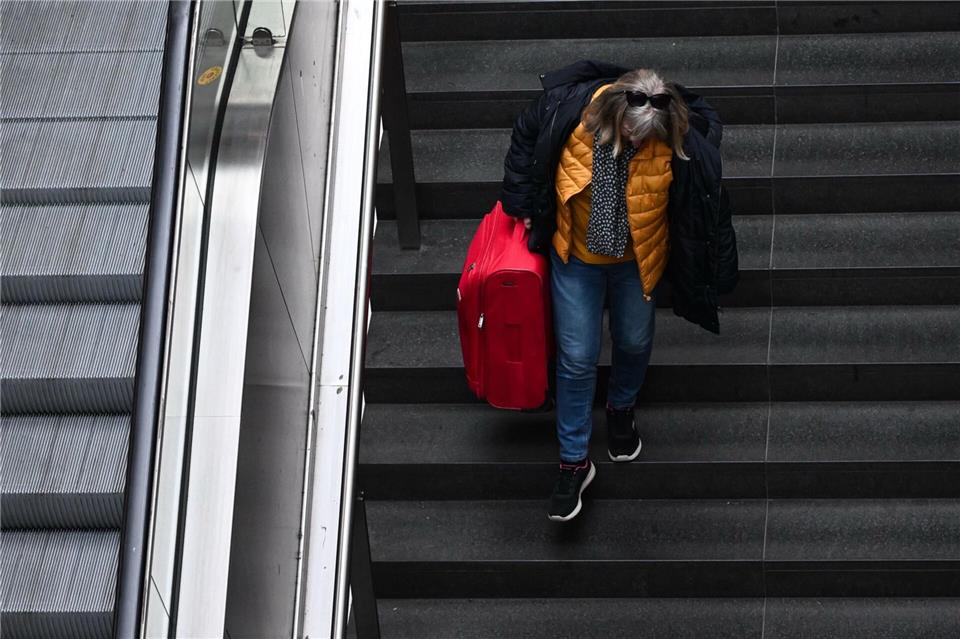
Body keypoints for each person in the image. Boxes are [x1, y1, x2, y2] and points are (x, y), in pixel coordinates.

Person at [500, 60, 739, 522]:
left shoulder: (673, 137)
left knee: (633, 340)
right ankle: (574, 461)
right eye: (629, 134)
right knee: (575, 358)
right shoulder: (568, 112)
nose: (635, 142)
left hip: (636, 260)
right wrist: (522, 203)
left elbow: (704, 187)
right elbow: (525, 136)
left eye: (645, 137)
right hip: (575, 258)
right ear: (611, 112)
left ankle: (621, 405)